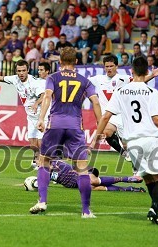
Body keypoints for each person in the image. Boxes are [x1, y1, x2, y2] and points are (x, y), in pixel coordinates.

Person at [93, 57, 158, 224]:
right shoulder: (152, 92)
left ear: (132, 71)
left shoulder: (121, 91)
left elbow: (105, 116)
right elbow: (157, 120)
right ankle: (154, 208)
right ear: (147, 72)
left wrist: (96, 137)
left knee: (148, 179)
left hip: (132, 144)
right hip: (151, 139)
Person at [29, 47, 102, 218]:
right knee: (82, 169)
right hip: (75, 126)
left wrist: (40, 118)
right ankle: (85, 211)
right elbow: (96, 103)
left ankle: (42, 201)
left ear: (60, 62)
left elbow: (47, 97)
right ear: (76, 62)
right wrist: (100, 127)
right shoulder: (85, 81)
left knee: (44, 162)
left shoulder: (53, 78)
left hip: (55, 124)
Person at [0, 60, 46, 167]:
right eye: (19, 71)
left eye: (23, 71)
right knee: (32, 143)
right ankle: (37, 160)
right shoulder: (15, 79)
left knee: (41, 143)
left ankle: (47, 164)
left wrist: (36, 103)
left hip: (41, 116)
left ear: (28, 71)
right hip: (30, 116)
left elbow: (44, 95)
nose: (21, 73)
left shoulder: (35, 82)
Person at [88, 54, 158, 156]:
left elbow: (139, 81)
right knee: (106, 132)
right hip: (108, 115)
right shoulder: (98, 79)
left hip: (122, 116)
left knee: (129, 146)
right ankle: (123, 153)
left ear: (116, 66)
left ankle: (133, 162)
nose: (109, 69)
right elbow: (82, 82)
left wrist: (152, 75)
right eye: (107, 66)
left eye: (111, 66)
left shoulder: (124, 79)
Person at [48, 159, 146, 192]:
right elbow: (42, 183)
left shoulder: (56, 162)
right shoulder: (45, 173)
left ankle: (129, 179)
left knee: (91, 181)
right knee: (92, 187)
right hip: (75, 184)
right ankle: (129, 189)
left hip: (83, 172)